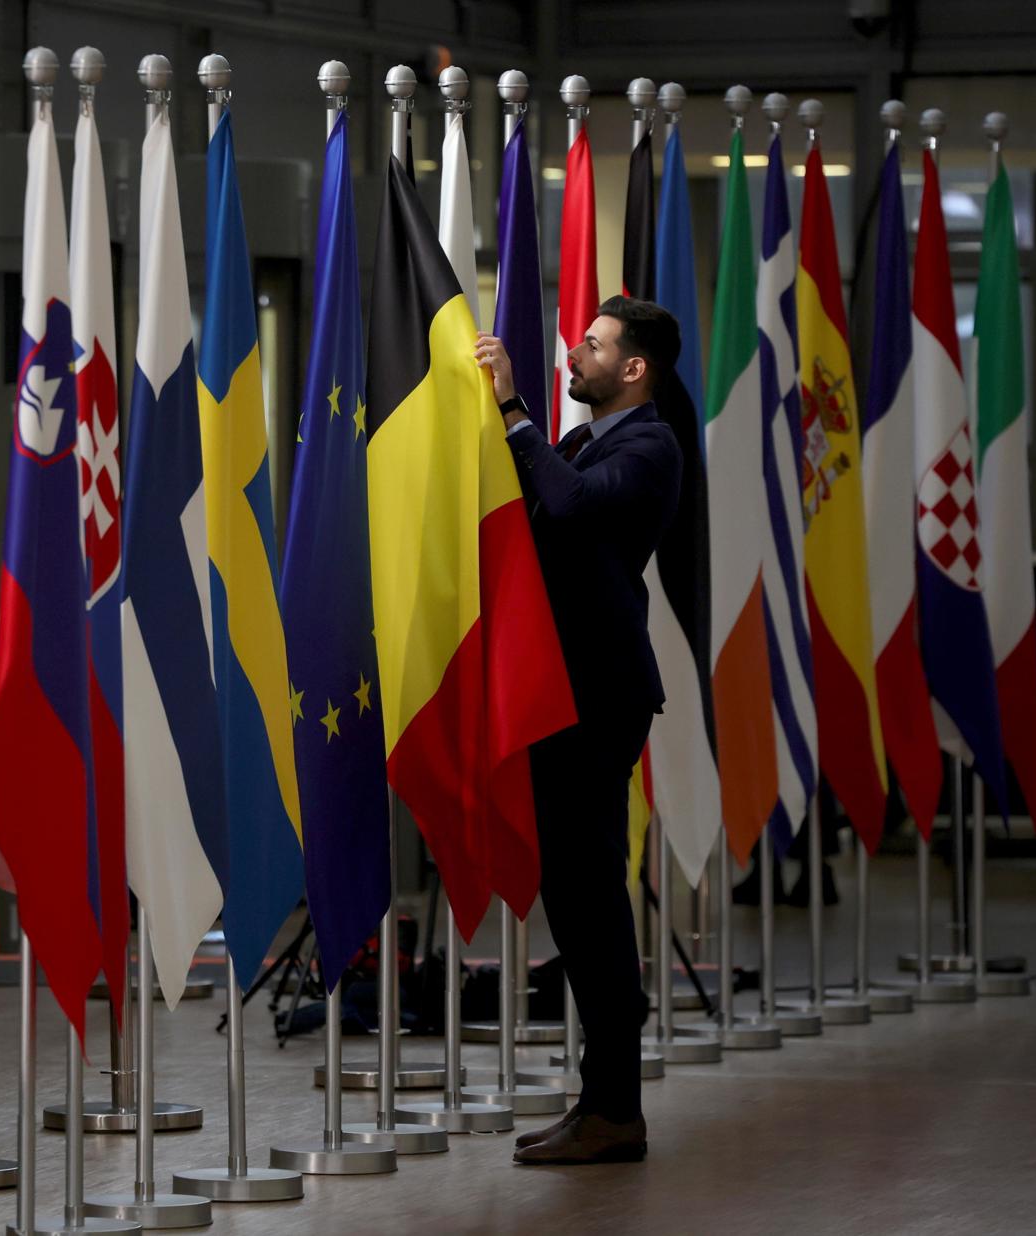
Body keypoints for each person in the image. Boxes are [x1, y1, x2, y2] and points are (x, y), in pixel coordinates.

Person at [474, 298, 683, 1166]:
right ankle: (602, 1102)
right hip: (557, 690)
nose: (575, 353)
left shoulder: (650, 446)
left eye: (592, 346)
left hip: (599, 695)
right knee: (573, 893)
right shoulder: (580, 440)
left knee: (591, 898)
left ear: (633, 369)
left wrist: (512, 407)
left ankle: (616, 1109)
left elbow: (568, 506)